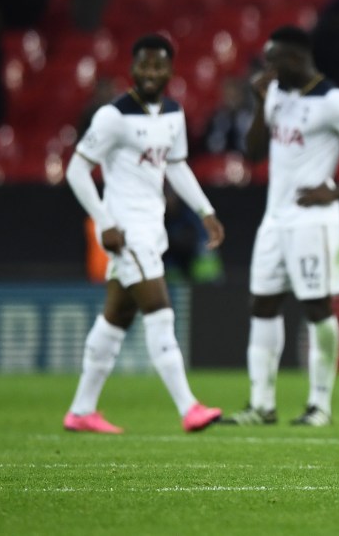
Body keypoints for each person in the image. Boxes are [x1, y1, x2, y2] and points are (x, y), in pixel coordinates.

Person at [223, 26, 339, 426]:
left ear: (295, 59)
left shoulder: (333, 100)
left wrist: (336, 193)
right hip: (274, 217)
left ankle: (320, 406)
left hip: (312, 221)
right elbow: (253, 152)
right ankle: (261, 405)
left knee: (316, 307)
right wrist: (261, 100)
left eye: (273, 60)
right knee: (262, 304)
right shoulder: (277, 94)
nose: (268, 68)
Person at [63, 34, 226, 434]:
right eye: (144, 65)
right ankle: (188, 407)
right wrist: (105, 221)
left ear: (170, 70)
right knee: (160, 310)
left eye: (159, 66)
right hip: (126, 230)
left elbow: (177, 166)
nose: (151, 73)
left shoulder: (173, 114)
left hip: (153, 227)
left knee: (117, 317)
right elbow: (76, 170)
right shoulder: (113, 116)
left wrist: (206, 211)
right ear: (133, 68)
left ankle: (82, 410)